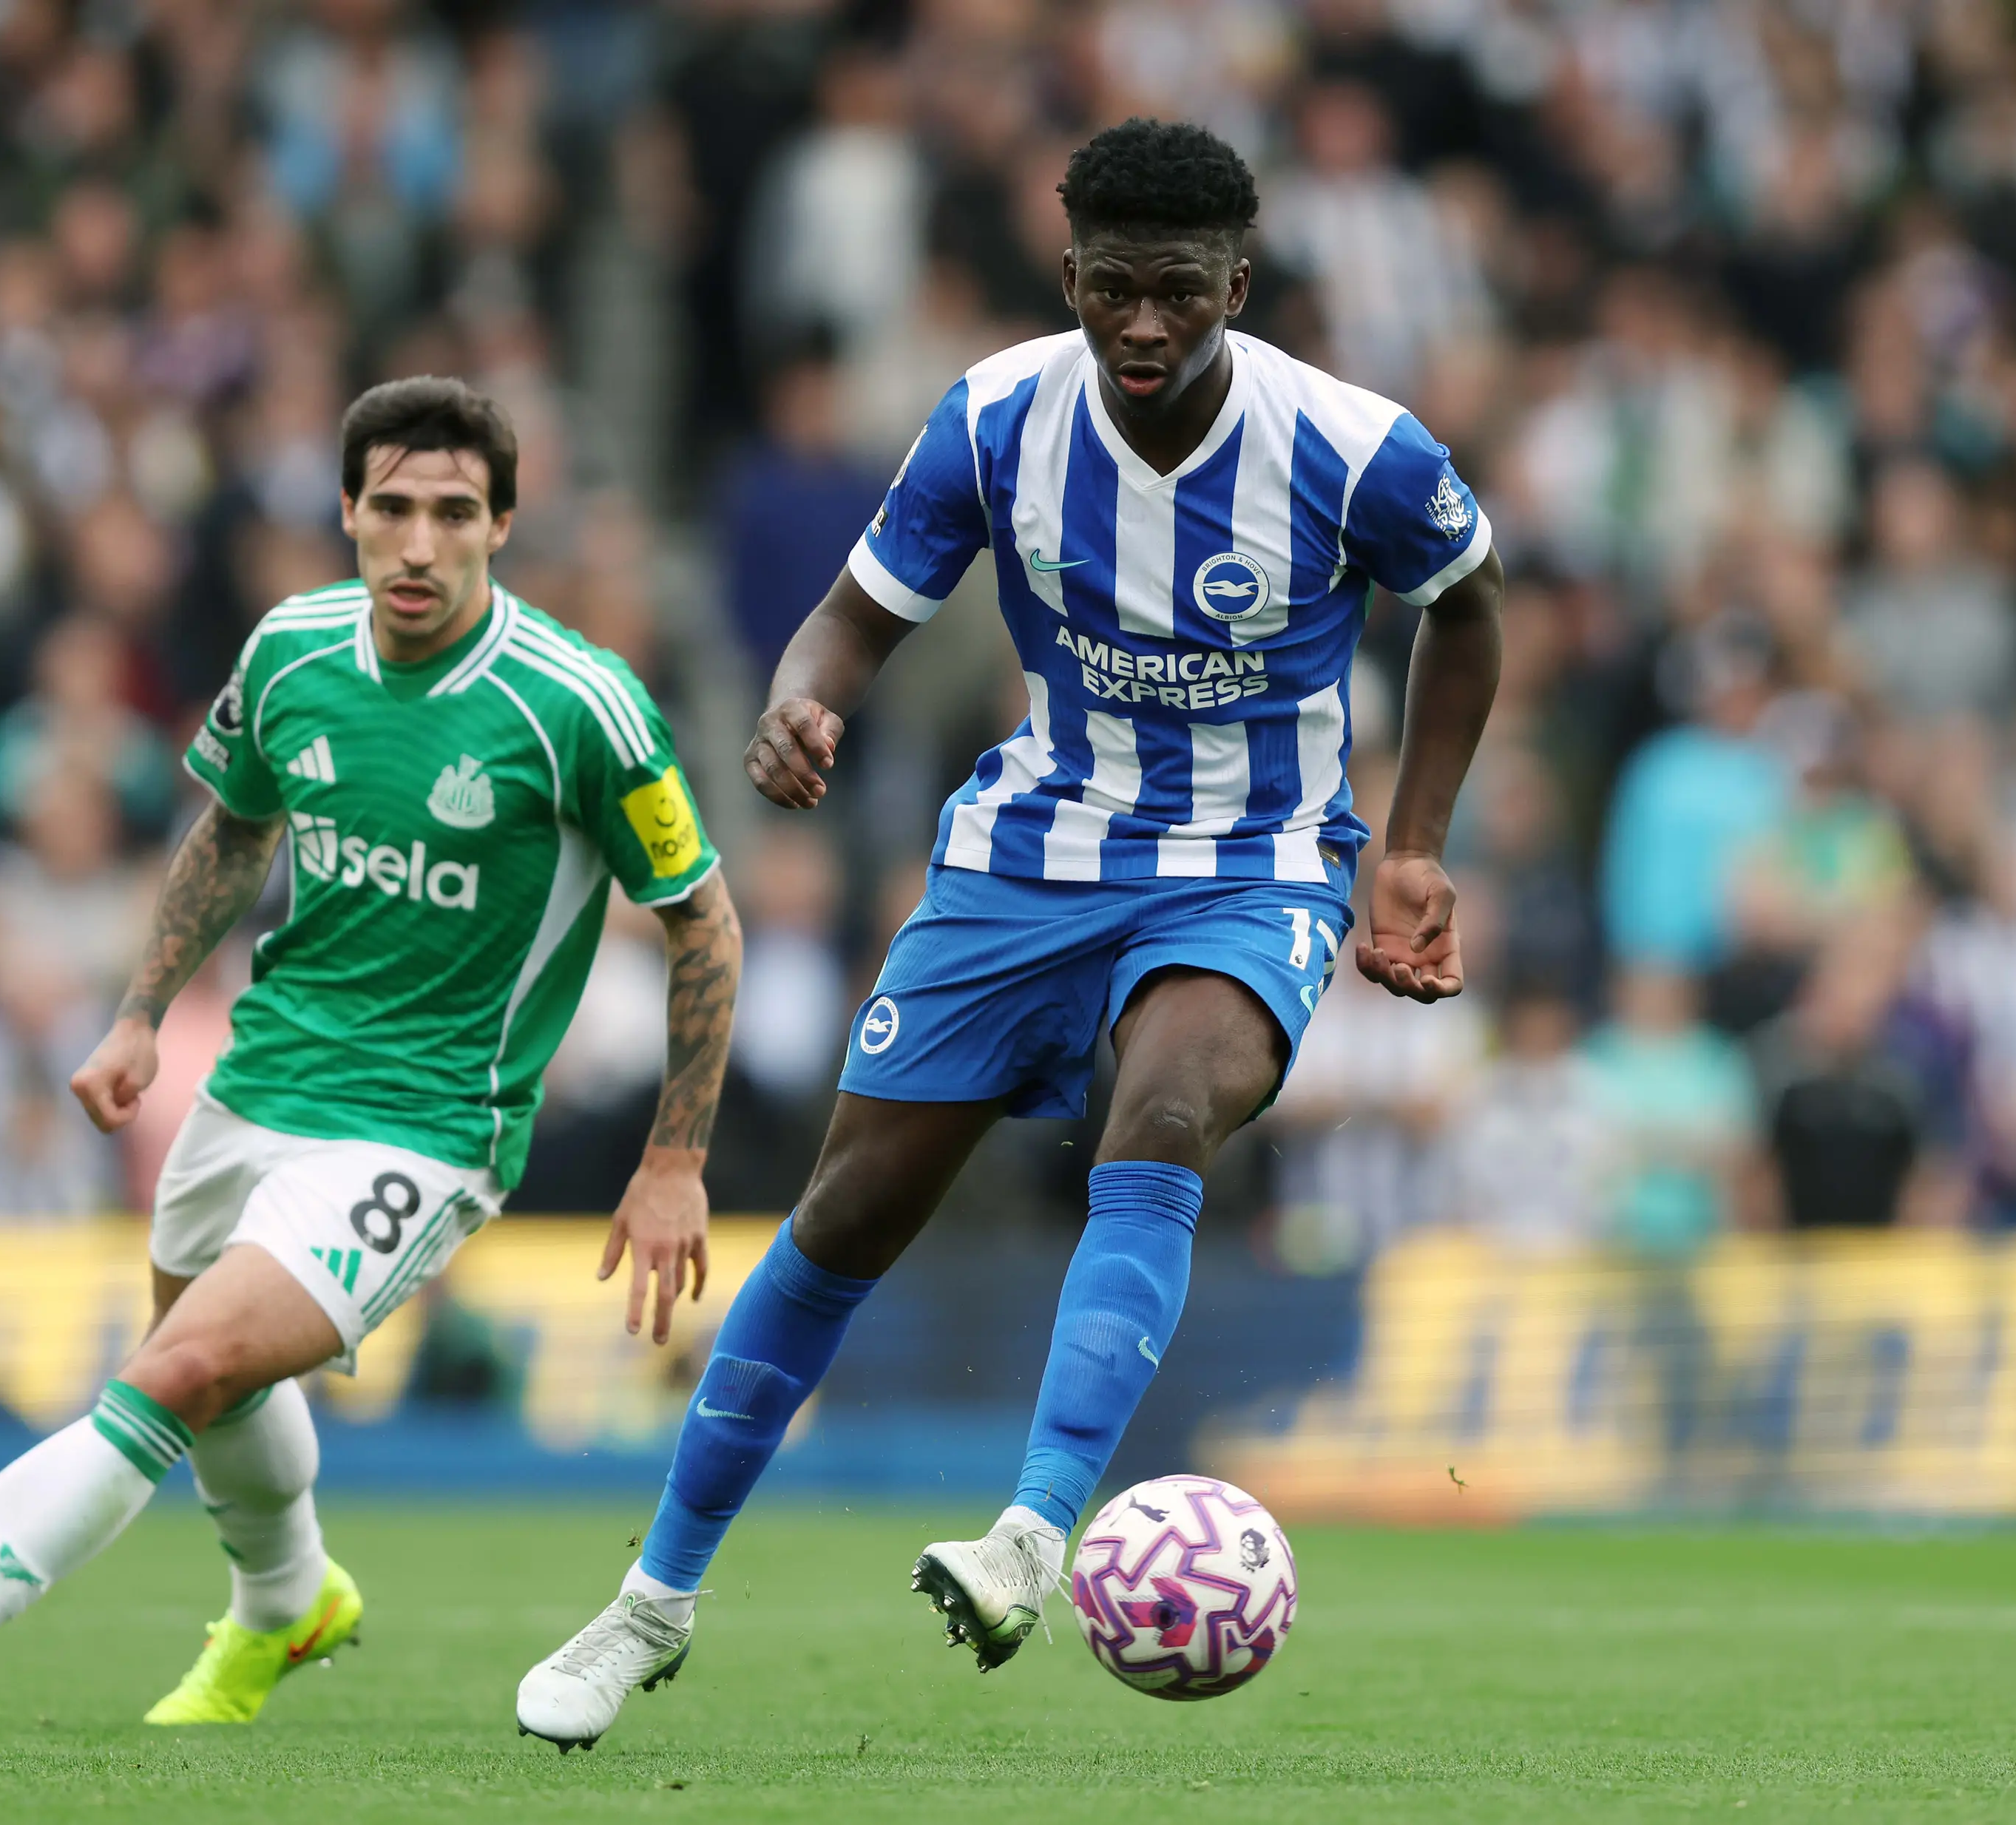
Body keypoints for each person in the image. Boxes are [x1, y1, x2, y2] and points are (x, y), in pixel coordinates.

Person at [516, 119, 1501, 1747]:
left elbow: (1467, 604)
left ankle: (1035, 1530)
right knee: (845, 1215)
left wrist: (1411, 848)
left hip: (1252, 861)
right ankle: (651, 1607)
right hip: (1028, 855)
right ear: (1070, 276)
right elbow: (851, 618)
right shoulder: (992, 418)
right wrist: (798, 706)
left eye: (1180, 292)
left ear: (1236, 288)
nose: (1142, 325)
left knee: (1170, 1102)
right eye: (1112, 288)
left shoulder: (1354, 447)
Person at [0, 378, 743, 1737]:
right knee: (214, 1378)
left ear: (502, 525)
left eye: (452, 513)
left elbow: (702, 921)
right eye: (390, 508)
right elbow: (233, 829)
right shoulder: (290, 651)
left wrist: (676, 1157)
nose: (416, 543)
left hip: (426, 1125)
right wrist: (137, 1014)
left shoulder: (577, 704)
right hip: (257, 1079)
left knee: (173, 1372)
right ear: (346, 510)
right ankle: (288, 1602)